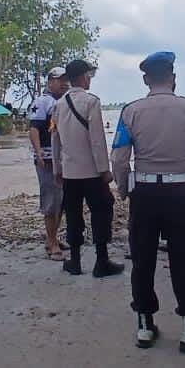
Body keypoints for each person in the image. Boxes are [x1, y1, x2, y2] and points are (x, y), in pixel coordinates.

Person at [111, 51, 185, 353]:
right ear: (173, 78)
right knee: (184, 260)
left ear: (146, 79)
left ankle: (145, 326)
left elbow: (119, 158)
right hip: (179, 193)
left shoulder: (130, 111)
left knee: (142, 260)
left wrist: (124, 189)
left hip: (144, 194)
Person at [51, 59, 124, 278]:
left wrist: (57, 169)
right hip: (91, 172)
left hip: (70, 172)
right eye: (89, 76)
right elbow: (97, 140)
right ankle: (101, 261)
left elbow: (55, 140)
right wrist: (104, 169)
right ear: (84, 77)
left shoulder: (59, 105)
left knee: (73, 215)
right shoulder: (91, 102)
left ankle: (75, 261)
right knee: (101, 212)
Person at [29, 67, 70, 261]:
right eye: (59, 80)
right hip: (46, 157)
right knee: (50, 201)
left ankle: (52, 237)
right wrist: (38, 151)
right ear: (50, 82)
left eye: (65, 80)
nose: (64, 83)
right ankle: (52, 242)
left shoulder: (63, 102)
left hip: (62, 158)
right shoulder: (43, 102)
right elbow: (34, 129)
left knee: (60, 200)